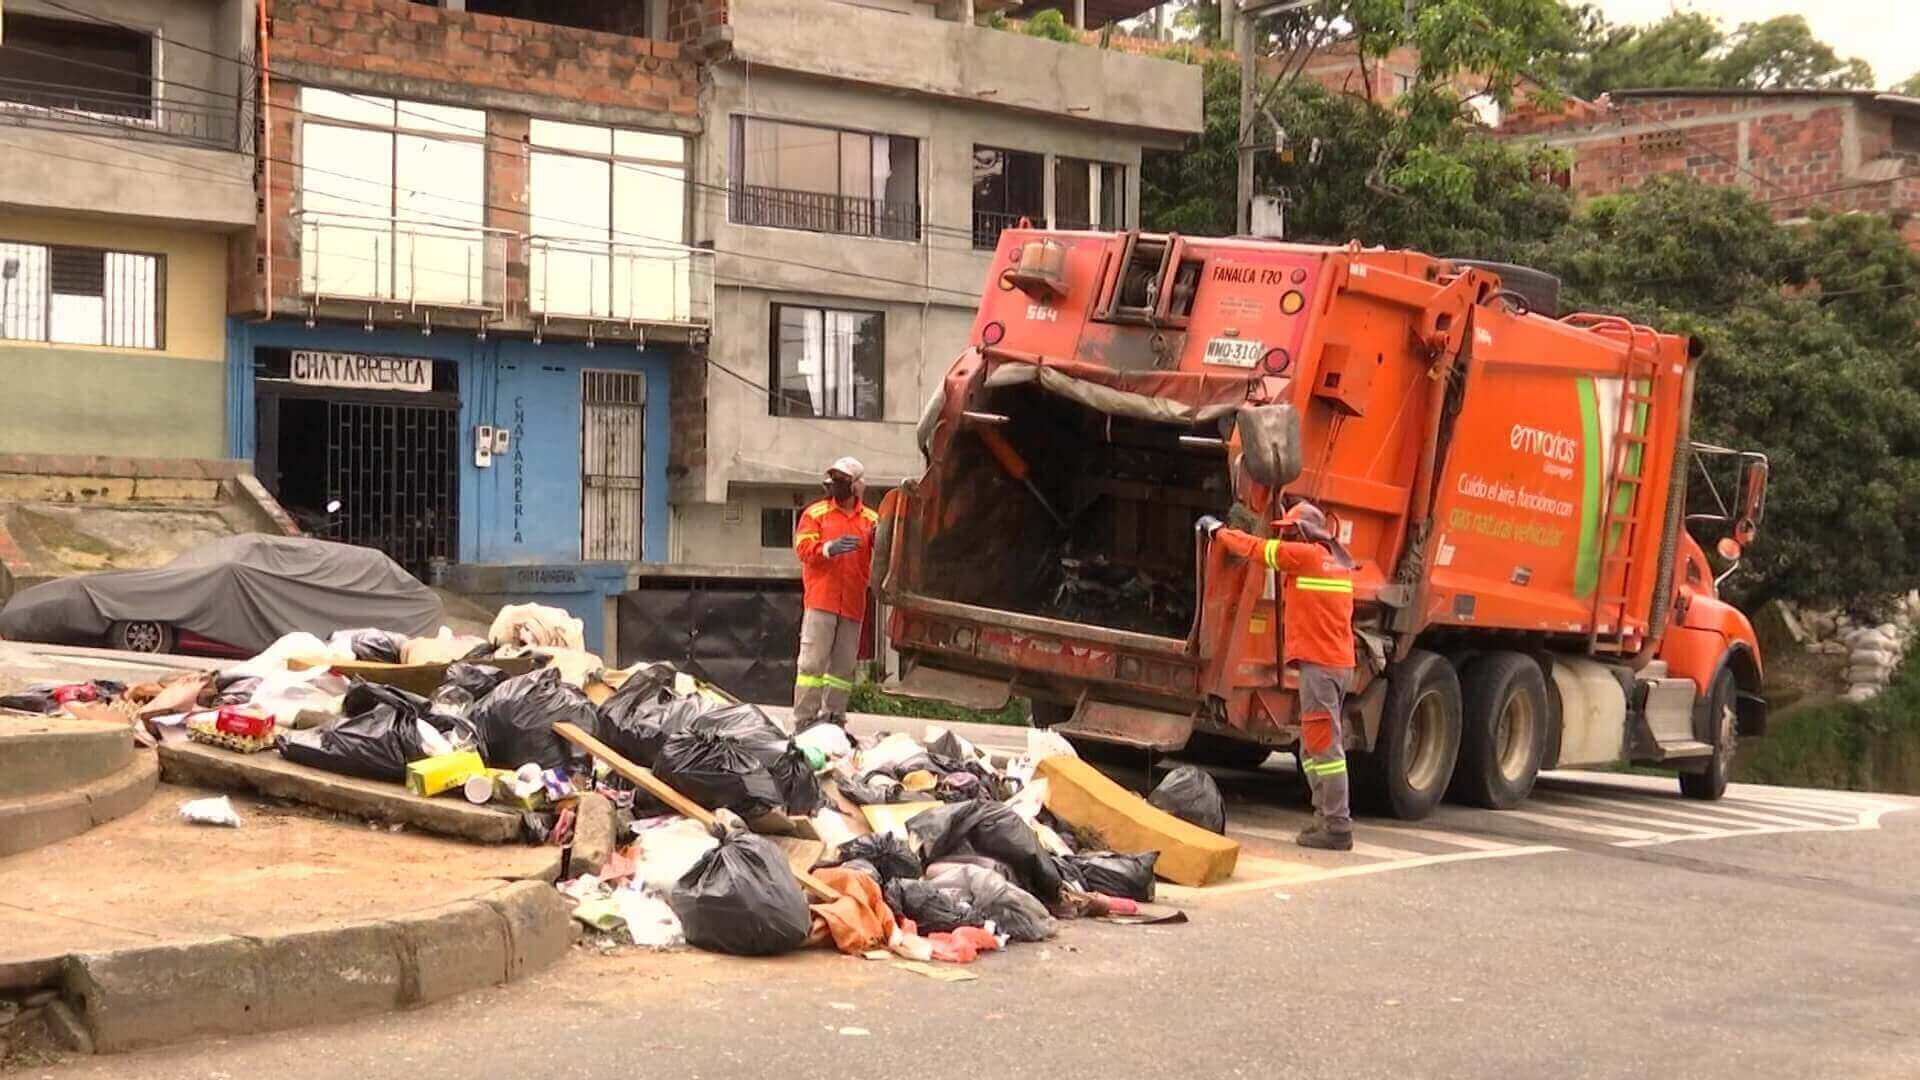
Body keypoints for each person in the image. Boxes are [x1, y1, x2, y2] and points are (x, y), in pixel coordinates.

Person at [1197, 500, 1357, 851]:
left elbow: (1255, 549)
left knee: (1323, 748)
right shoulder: (1336, 563)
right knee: (1314, 746)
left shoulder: (1308, 557)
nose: (1285, 537)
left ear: (1304, 533)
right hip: (1336, 665)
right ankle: (1328, 818)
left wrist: (1219, 532)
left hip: (1321, 666)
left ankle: (1336, 825)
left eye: (1289, 532)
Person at [792, 456, 880, 729]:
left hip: (853, 604)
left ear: (857, 487)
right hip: (822, 601)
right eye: (834, 480)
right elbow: (803, 550)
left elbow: (885, 553)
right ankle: (804, 720)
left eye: (843, 481)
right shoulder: (815, 514)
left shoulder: (871, 521)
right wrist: (829, 548)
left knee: (842, 669)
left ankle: (834, 718)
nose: (835, 485)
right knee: (811, 666)